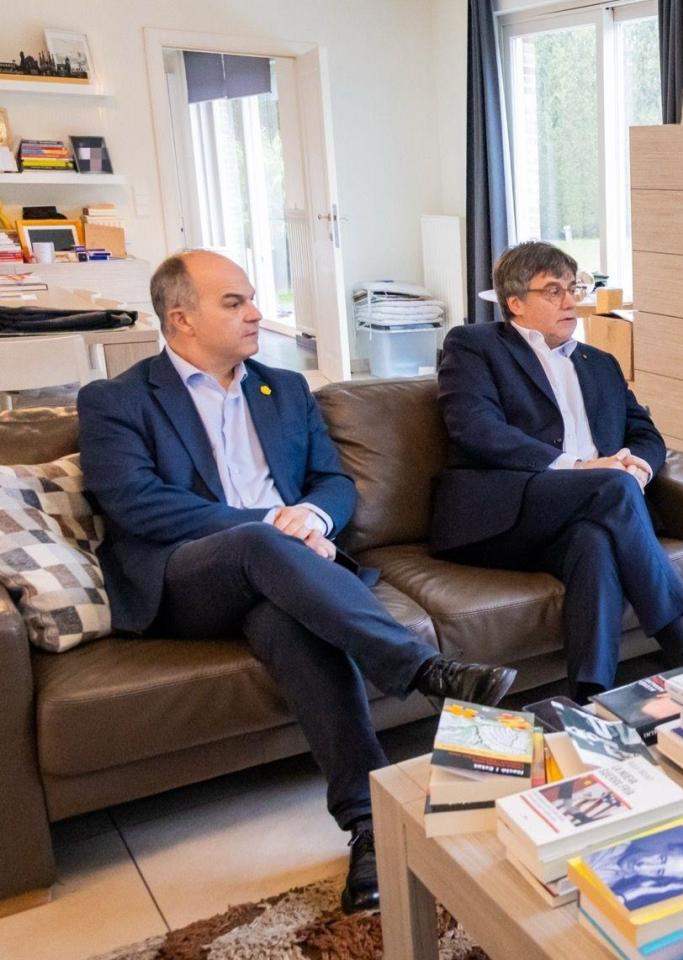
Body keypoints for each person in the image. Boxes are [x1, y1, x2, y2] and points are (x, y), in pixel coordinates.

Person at [77, 250, 518, 915]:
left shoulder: (283, 390)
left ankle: (368, 826)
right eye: (234, 302)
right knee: (257, 542)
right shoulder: (117, 400)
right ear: (180, 318)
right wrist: (270, 525)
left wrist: (311, 516)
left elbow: (333, 482)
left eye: (252, 298)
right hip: (186, 578)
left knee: (290, 621)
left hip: (283, 573)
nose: (257, 313)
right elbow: (136, 503)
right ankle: (425, 671)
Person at [431, 242, 683, 700]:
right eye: (553, 290)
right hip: (507, 509)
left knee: (594, 543)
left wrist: (637, 470)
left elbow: (647, 436)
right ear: (514, 303)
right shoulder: (474, 346)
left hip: (588, 510)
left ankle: (590, 696)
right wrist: (581, 468)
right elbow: (475, 429)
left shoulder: (599, 364)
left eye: (573, 288)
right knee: (611, 489)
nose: (570, 301)